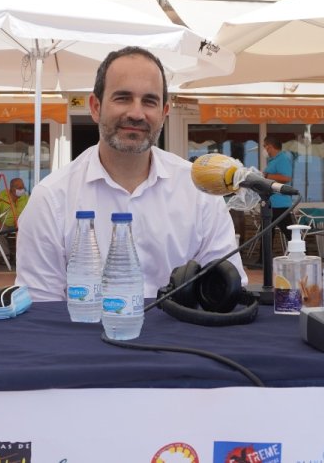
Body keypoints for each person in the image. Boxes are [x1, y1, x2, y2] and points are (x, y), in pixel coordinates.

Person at [16, 46, 245, 301]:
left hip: (183, 339)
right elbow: (40, 311)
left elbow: (227, 291)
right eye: (123, 98)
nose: (136, 113)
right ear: (95, 107)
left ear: (164, 113)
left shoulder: (199, 190)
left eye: (149, 101)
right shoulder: (51, 199)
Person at [259, 136, 295, 264]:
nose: (264, 149)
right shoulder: (273, 160)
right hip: (271, 203)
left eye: (264, 146)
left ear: (269, 146)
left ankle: (299, 255)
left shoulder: (282, 159)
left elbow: (286, 178)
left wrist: (266, 176)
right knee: (266, 232)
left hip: (280, 204)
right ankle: (263, 259)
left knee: (289, 232)